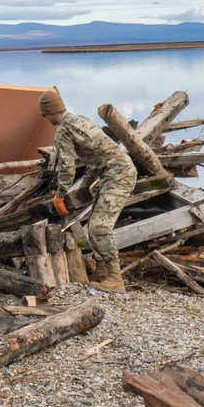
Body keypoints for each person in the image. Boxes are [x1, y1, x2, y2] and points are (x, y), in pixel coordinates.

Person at [41, 90, 137, 292]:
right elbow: (96, 158)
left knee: (99, 227)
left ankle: (115, 279)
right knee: (94, 222)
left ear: (50, 112)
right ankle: (102, 271)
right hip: (115, 171)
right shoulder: (81, 120)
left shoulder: (64, 130)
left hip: (118, 174)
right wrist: (85, 186)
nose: (44, 118)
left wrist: (59, 196)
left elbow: (67, 166)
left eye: (44, 114)